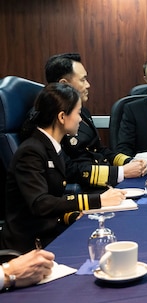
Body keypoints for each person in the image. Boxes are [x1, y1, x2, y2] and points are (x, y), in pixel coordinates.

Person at [1, 84, 125, 252]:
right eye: (78, 113)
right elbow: (41, 203)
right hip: (31, 246)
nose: (81, 119)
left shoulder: (53, 147)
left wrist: (74, 215)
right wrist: (98, 201)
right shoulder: (31, 151)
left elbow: (54, 201)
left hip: (50, 233)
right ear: (62, 117)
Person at [44, 53, 147, 187]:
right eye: (82, 80)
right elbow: (67, 169)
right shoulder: (48, 117)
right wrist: (120, 172)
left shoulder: (84, 112)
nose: (88, 85)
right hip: (86, 189)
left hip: (103, 182)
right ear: (64, 84)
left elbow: (99, 150)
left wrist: (129, 162)